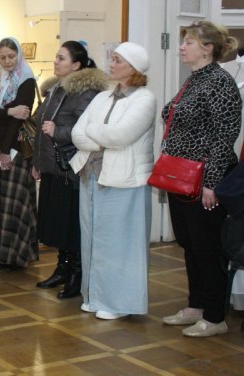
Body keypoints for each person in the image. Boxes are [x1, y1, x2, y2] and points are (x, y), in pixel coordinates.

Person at [159, 20, 241, 337]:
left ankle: (215, 315)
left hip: (204, 180)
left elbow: (225, 136)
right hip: (181, 177)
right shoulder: (194, 80)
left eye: (189, 42)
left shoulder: (220, 82)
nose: (182, 47)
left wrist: (212, 183)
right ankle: (195, 305)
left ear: (207, 48)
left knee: (208, 248)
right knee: (190, 245)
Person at [70, 42, 156, 319]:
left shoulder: (144, 99)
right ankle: (94, 296)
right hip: (92, 174)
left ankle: (118, 303)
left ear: (132, 67)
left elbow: (121, 136)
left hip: (124, 180)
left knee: (119, 244)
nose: (111, 64)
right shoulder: (103, 96)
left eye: (117, 60)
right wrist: (100, 136)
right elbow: (76, 133)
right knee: (93, 239)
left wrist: (95, 131)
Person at [33, 40, 107, 299]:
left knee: (72, 226)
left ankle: (77, 275)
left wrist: (59, 132)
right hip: (53, 168)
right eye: (56, 56)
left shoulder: (86, 92)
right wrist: (37, 163)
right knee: (57, 224)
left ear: (76, 65)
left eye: (62, 58)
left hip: (72, 170)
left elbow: (86, 130)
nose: (56, 61)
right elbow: (40, 126)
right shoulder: (55, 89)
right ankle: (63, 269)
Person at [0, 37, 38, 269]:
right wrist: (9, 110)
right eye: (2, 57)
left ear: (19, 55)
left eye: (11, 56)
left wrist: (6, 151)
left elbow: (20, 120)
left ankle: (15, 255)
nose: (7, 61)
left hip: (14, 147)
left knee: (14, 201)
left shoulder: (27, 80)